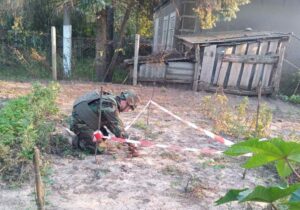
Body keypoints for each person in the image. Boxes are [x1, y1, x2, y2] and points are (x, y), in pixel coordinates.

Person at [70, 89, 141, 157]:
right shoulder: (110, 106)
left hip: (88, 119)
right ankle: (77, 141)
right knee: (99, 149)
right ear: (126, 101)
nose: (128, 110)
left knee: (104, 135)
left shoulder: (111, 102)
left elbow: (111, 124)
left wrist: (127, 140)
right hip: (79, 122)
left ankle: (86, 137)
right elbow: (116, 127)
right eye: (130, 107)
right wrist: (130, 141)